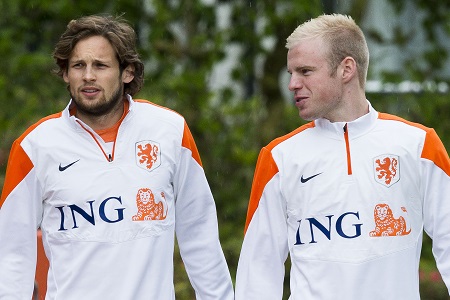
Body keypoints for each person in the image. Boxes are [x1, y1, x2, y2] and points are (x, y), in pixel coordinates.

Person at [0, 14, 234, 299]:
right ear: (65, 73)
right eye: (78, 66)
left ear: (128, 72)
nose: (88, 76)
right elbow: (12, 256)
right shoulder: (34, 146)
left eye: (100, 65)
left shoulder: (170, 130)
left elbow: (200, 236)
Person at [235, 13, 450, 299]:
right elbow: (257, 274)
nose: (292, 84)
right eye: (291, 74)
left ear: (346, 68)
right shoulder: (279, 158)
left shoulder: (419, 145)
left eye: (305, 71)